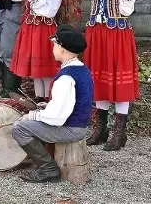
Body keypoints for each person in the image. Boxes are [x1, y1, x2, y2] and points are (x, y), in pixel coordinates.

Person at [61, 0, 138, 151]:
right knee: (99, 80)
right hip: (96, 35)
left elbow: (125, 11)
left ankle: (119, 133)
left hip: (117, 36)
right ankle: (100, 129)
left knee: (119, 82)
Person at [11, 24, 92, 183]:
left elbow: (56, 118)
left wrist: (32, 115)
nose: (53, 48)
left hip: (71, 129)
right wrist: (47, 107)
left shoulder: (66, 77)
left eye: (55, 44)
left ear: (62, 49)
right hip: (77, 125)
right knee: (34, 118)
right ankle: (43, 159)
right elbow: (70, 103)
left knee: (19, 128)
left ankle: (48, 169)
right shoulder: (82, 69)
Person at [3, 0, 64, 101]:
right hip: (30, 28)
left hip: (44, 30)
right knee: (36, 71)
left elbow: (49, 11)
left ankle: (48, 100)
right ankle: (39, 98)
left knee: (46, 70)